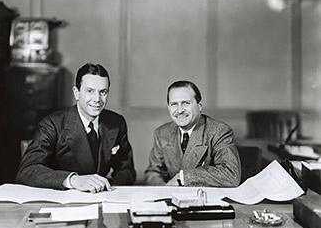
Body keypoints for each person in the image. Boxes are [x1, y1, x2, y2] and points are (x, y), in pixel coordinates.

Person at [16, 62, 136, 193]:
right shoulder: (52, 124)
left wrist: (108, 189)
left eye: (103, 92)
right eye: (90, 91)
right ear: (76, 93)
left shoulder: (116, 122)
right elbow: (27, 171)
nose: (97, 99)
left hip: (100, 198)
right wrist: (73, 180)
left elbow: (126, 170)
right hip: (61, 199)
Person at [145, 80, 241, 187]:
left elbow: (231, 175)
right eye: (174, 104)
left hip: (205, 200)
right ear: (168, 107)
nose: (180, 110)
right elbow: (153, 173)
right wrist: (166, 191)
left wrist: (183, 178)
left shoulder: (219, 131)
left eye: (186, 103)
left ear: (199, 105)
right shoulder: (162, 133)